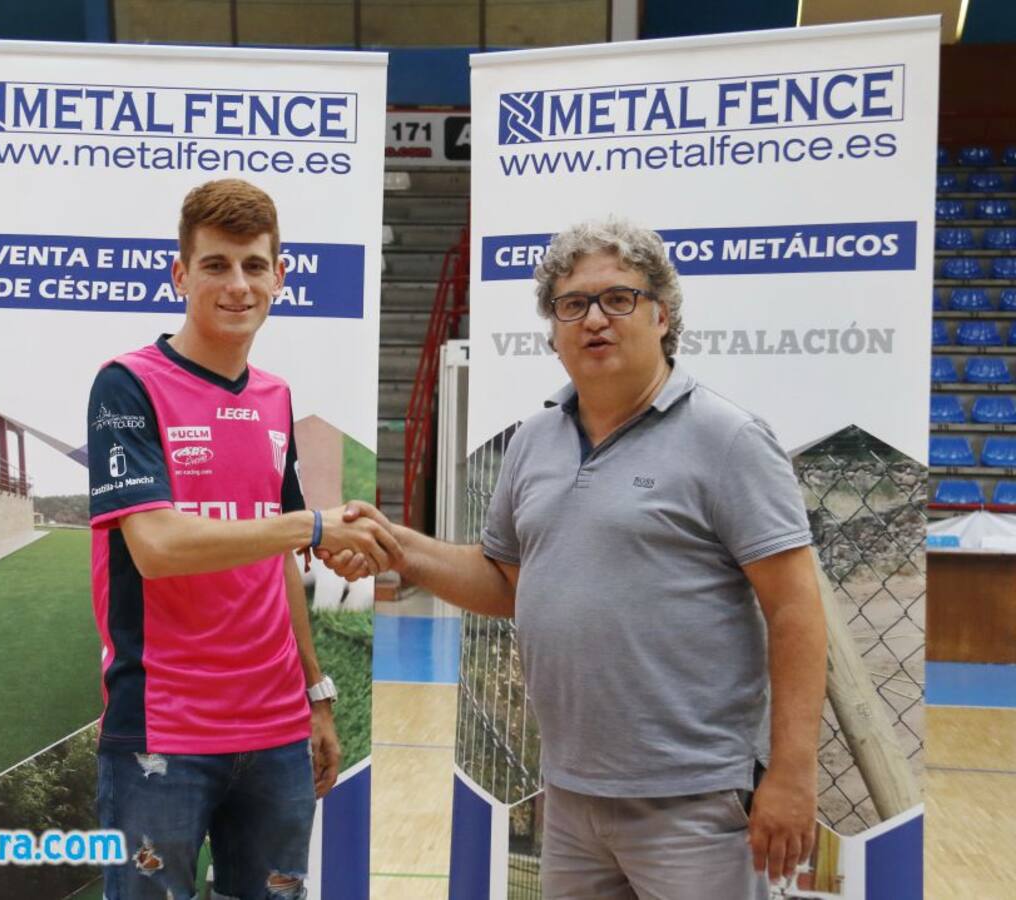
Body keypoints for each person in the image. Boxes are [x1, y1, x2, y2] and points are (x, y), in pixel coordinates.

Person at [325, 219, 827, 899]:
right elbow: (504, 581)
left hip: (696, 800)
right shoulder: (534, 441)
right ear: (554, 327)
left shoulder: (729, 439)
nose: (594, 319)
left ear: (661, 315)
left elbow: (794, 607)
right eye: (573, 304)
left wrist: (793, 773)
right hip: (568, 796)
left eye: (618, 298)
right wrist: (396, 543)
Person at [86, 178, 398, 900]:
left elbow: (278, 558)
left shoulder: (275, 396)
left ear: (280, 276)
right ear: (180, 274)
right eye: (216, 265)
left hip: (278, 731)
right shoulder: (127, 384)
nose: (238, 285)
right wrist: (312, 524)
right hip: (162, 732)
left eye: (255, 265)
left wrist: (316, 693)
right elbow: (157, 548)